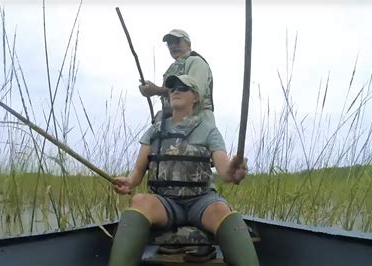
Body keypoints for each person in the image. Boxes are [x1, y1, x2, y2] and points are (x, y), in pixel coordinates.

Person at [108, 74, 259, 266]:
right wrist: (128, 182)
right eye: (172, 87)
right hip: (165, 202)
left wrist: (234, 172)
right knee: (139, 201)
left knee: (223, 210)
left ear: (195, 97)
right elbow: (137, 173)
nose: (175, 90)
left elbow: (224, 171)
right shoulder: (154, 130)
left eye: (182, 87)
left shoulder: (209, 130)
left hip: (201, 201)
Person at [139, 29, 215, 125]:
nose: (173, 46)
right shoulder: (173, 68)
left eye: (177, 41)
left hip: (197, 125)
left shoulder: (196, 62)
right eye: (169, 43)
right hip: (179, 126)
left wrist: (157, 90)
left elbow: (195, 94)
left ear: (189, 44)